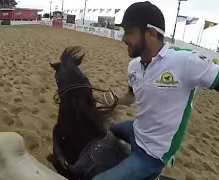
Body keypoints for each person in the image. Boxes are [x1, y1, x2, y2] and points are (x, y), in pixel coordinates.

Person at [93, 1, 219, 180]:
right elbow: (131, 96)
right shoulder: (134, 66)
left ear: (151, 33)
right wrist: (114, 99)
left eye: (129, 32)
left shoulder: (185, 61)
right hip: (137, 131)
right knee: (107, 129)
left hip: (153, 154)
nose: (123, 39)